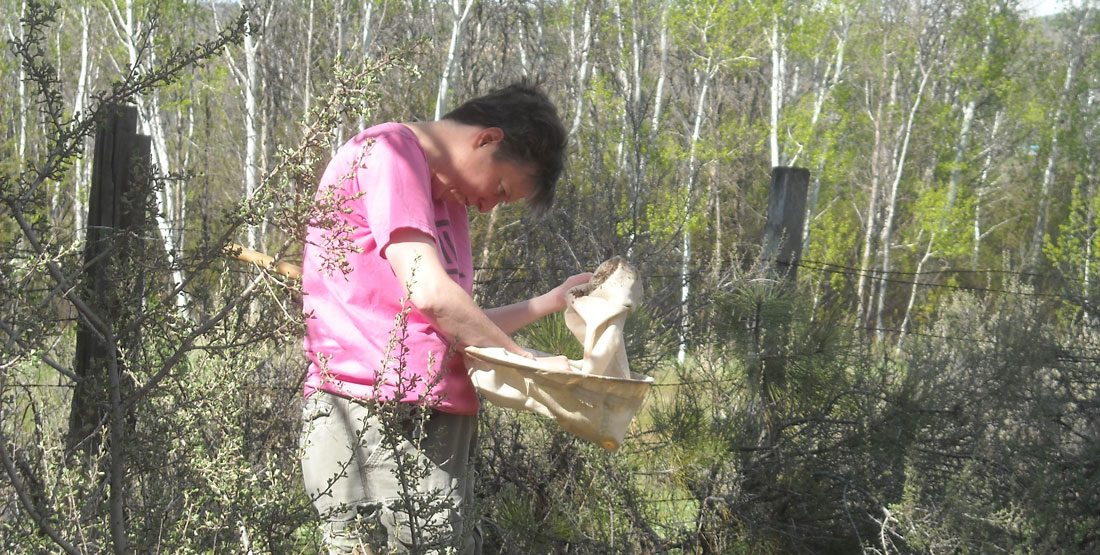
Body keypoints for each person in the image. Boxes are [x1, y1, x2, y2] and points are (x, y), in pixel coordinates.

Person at [299, 83, 589, 554]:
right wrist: (525, 361)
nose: (486, 207)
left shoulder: (445, 198)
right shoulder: (392, 152)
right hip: (370, 409)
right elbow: (433, 295)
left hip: (427, 412)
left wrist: (549, 302)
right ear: (487, 139)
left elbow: (440, 326)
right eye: (499, 189)